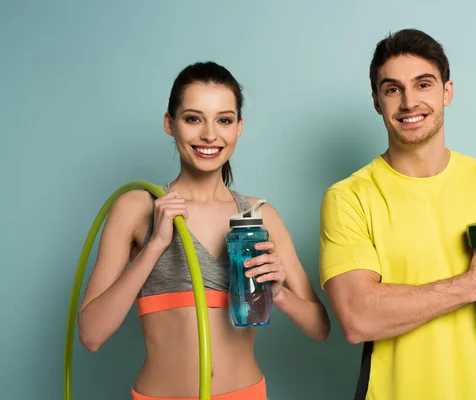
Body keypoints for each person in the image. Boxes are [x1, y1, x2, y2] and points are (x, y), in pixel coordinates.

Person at [318, 29, 476, 400]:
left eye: (423, 84)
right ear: (378, 102)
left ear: (447, 91)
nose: (409, 102)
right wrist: (474, 284)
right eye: (393, 89)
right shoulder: (349, 197)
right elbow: (357, 318)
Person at [77, 61, 331, 400]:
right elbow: (91, 335)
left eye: (224, 120)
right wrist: (155, 246)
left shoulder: (259, 216)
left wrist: (278, 291)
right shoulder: (137, 207)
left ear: (238, 127)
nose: (210, 135)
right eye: (193, 118)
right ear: (170, 124)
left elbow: (320, 328)